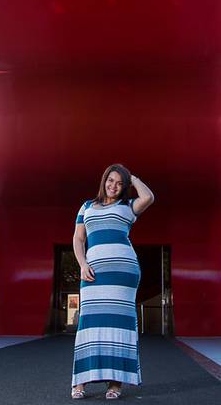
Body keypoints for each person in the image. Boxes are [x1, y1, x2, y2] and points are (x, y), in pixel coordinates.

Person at [70, 164, 155, 400]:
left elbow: (148, 197)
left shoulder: (129, 206)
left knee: (119, 326)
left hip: (123, 273)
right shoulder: (87, 206)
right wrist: (82, 264)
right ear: (103, 180)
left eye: (119, 183)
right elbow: (78, 239)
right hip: (93, 273)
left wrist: (132, 177)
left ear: (125, 186)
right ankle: (80, 381)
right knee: (89, 324)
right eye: (110, 180)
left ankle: (115, 383)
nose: (113, 186)